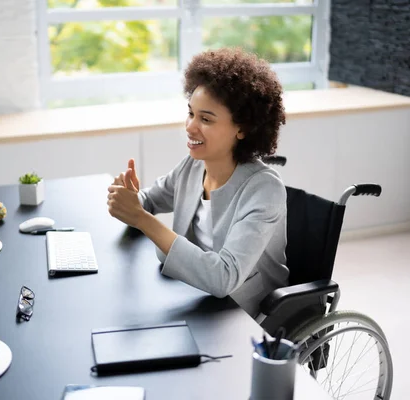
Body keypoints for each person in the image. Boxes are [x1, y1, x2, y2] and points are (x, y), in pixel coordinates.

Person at [107, 47, 288, 318]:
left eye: (206, 119)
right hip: (194, 293)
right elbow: (150, 201)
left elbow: (223, 279)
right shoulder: (193, 166)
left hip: (244, 310)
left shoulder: (264, 190)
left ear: (243, 128)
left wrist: (141, 217)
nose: (190, 127)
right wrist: (130, 198)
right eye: (191, 113)